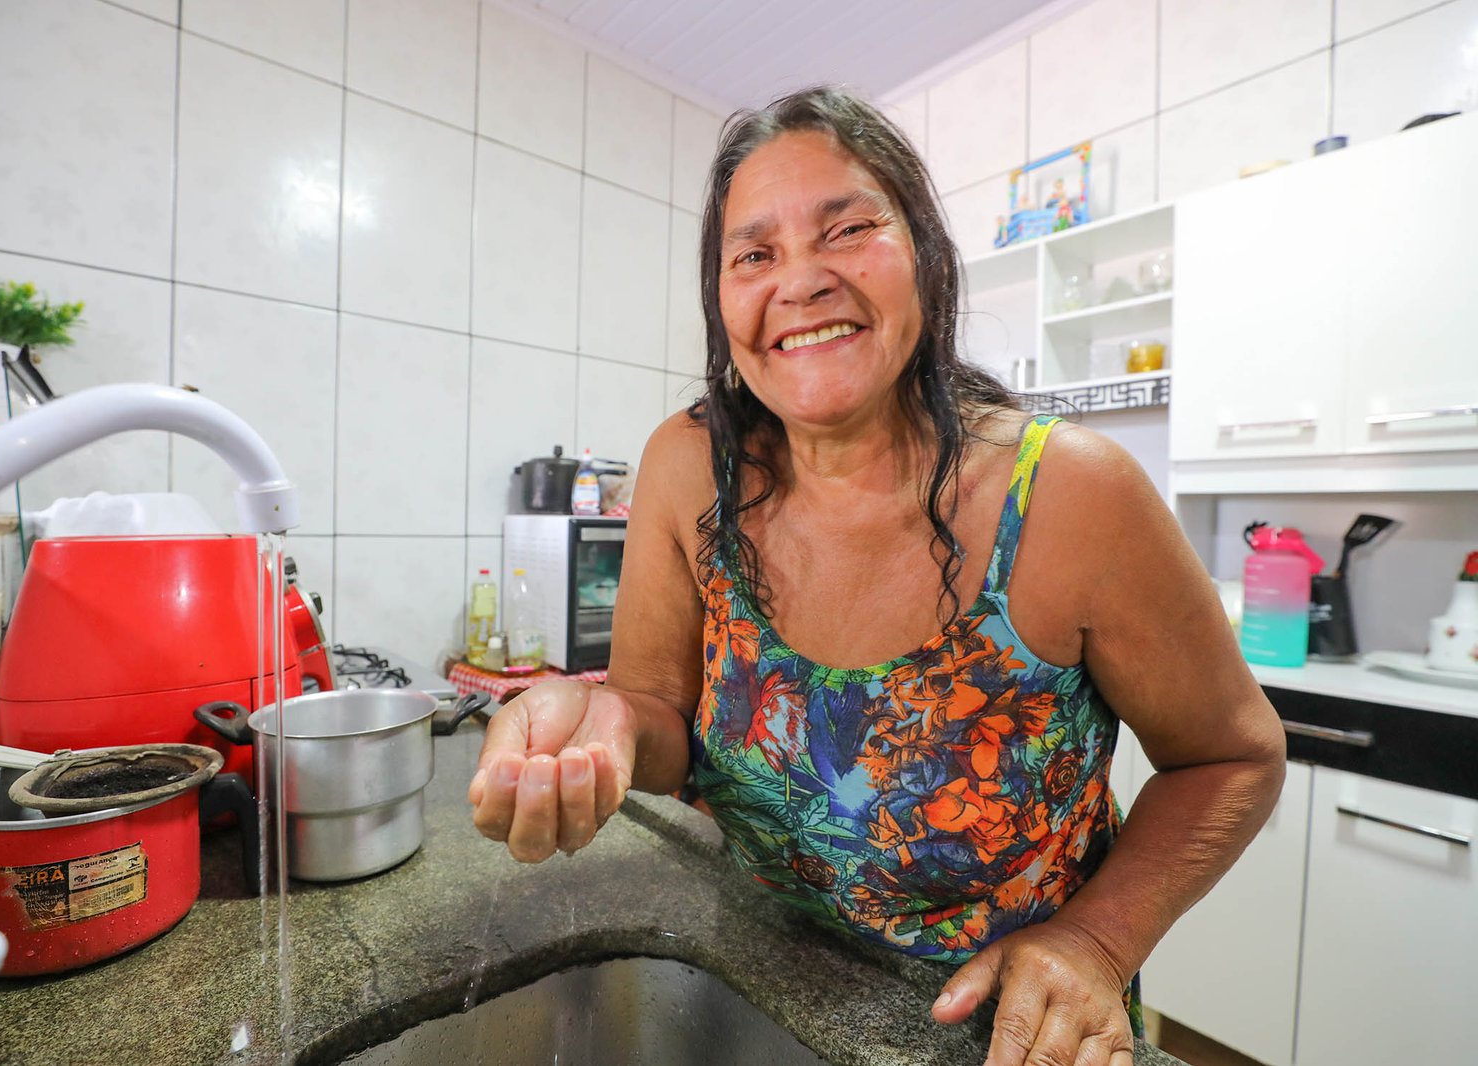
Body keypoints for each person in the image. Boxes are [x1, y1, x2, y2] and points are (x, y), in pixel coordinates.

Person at [468, 86, 1286, 1066]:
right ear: (720, 298)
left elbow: (1230, 758)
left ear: (926, 257)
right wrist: (600, 721)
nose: (801, 282)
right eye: (754, 254)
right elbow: (660, 718)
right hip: (754, 989)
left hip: (1003, 1030)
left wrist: (1096, 943)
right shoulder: (689, 466)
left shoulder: (1072, 495)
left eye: (848, 231)